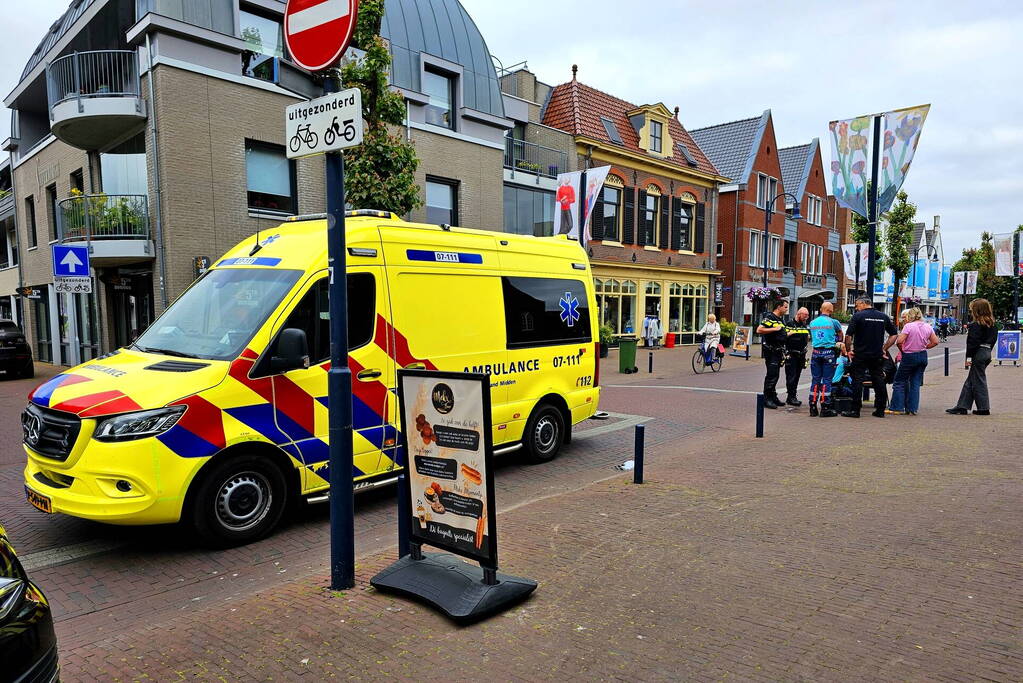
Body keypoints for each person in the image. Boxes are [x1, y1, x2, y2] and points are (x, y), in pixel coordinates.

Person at [842, 296, 898, 418]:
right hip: (876, 354)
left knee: (857, 380)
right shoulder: (883, 316)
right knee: (878, 380)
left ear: (863, 303)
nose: (856, 308)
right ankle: (880, 409)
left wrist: (848, 350)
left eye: (857, 305)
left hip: (860, 354)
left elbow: (848, 336)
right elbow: (894, 335)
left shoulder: (858, 316)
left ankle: (855, 410)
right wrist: (884, 348)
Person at [947, 298, 997, 415]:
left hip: (978, 353)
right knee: (971, 379)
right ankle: (962, 406)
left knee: (979, 380)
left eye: (971, 310)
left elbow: (972, 343)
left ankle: (983, 408)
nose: (970, 312)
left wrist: (968, 358)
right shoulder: (993, 325)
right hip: (987, 352)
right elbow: (993, 340)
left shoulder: (975, 325)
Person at [887, 307, 939, 415]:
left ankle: (897, 407)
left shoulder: (908, 326)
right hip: (922, 355)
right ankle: (912, 409)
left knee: (899, 381)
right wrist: (925, 346)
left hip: (909, 355)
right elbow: (935, 341)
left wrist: (903, 350)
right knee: (915, 383)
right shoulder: (927, 326)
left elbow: (899, 341)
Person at [807, 302, 844, 416]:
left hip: (816, 353)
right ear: (831, 310)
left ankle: (813, 406)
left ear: (820, 309)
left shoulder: (813, 322)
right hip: (828, 353)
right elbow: (840, 335)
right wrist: (838, 342)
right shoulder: (834, 322)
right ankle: (825, 407)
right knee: (827, 380)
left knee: (815, 380)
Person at [756, 299, 789, 409]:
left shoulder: (780, 319)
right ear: (779, 307)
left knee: (775, 375)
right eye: (785, 307)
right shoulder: (770, 317)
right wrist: (775, 329)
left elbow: (782, 333)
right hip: (771, 351)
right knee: (772, 375)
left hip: (778, 351)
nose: (786, 309)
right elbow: (759, 330)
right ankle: (767, 399)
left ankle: (773, 396)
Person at [783, 307, 810, 406]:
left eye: (807, 315)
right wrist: (789, 334)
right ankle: (791, 397)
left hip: (801, 355)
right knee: (791, 376)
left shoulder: (804, 325)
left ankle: (793, 396)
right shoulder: (790, 324)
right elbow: (784, 337)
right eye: (805, 315)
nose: (807, 317)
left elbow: (806, 337)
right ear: (799, 314)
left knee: (797, 376)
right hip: (792, 354)